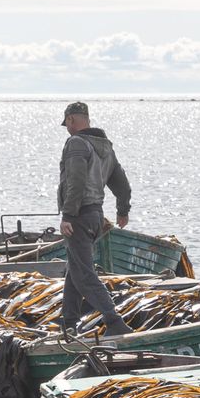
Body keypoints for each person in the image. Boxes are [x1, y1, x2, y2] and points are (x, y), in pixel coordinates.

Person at [56, 101, 134, 336]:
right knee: (75, 270)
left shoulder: (76, 143)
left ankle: (113, 320)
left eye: (67, 123)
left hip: (79, 216)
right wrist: (123, 210)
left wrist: (68, 215)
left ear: (71, 120)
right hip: (95, 215)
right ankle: (68, 322)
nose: (67, 128)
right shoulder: (104, 146)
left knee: (84, 273)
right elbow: (121, 183)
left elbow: (76, 181)